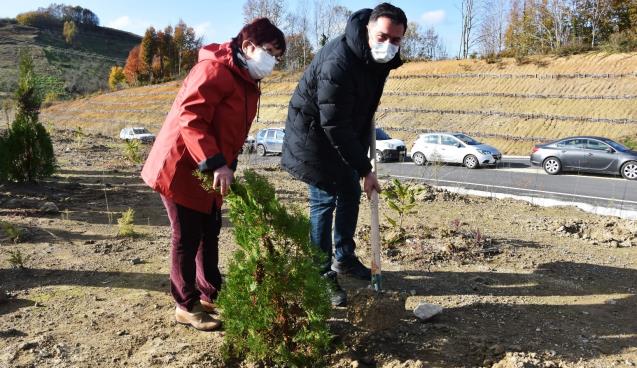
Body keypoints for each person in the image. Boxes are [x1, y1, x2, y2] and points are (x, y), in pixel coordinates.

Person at [141, 18, 285, 331]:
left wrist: (226, 165)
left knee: (210, 230)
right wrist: (216, 163)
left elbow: (230, 129)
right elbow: (191, 119)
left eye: (278, 55)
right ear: (247, 46)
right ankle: (186, 304)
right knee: (187, 235)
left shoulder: (245, 80)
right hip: (181, 166)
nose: (273, 61)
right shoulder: (214, 70)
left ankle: (210, 294)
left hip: (210, 168)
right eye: (270, 52)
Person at [281, 3, 406, 306]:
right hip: (314, 137)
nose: (388, 45)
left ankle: (344, 258)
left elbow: (360, 113)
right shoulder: (340, 60)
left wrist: (360, 161)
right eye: (383, 36)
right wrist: (365, 169)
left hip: (342, 134)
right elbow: (334, 122)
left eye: (396, 40)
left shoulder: (377, 61)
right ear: (368, 30)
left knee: (350, 192)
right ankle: (319, 272)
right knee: (325, 200)